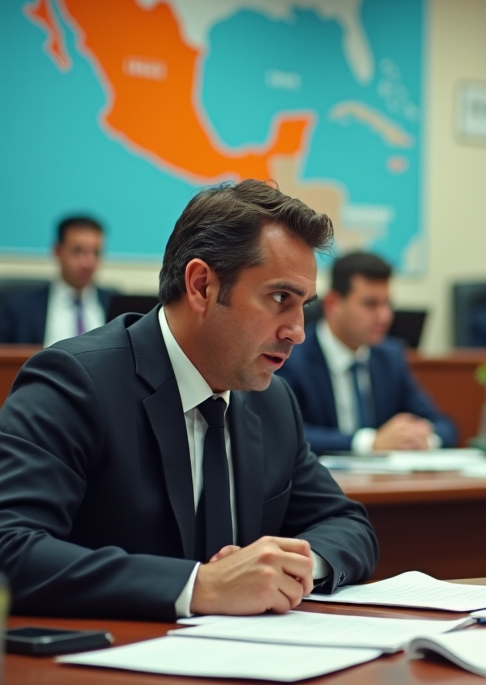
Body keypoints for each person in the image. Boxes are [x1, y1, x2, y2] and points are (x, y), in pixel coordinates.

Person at [0, 180, 378, 621]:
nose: (298, 330)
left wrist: (293, 568)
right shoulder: (77, 381)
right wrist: (200, 586)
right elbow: (10, 546)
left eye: (303, 305)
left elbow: (350, 526)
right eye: (280, 299)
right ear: (201, 285)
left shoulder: (272, 401)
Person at [279, 252, 457, 455]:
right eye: (371, 304)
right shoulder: (293, 357)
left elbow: (444, 425)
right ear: (333, 304)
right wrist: (370, 443)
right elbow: (284, 434)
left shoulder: (390, 356)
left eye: (387, 304)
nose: (385, 316)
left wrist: (424, 439)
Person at [0, 215, 117, 345]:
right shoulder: (20, 308)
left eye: (95, 253)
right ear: (58, 251)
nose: (88, 262)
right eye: (77, 251)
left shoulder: (116, 306)